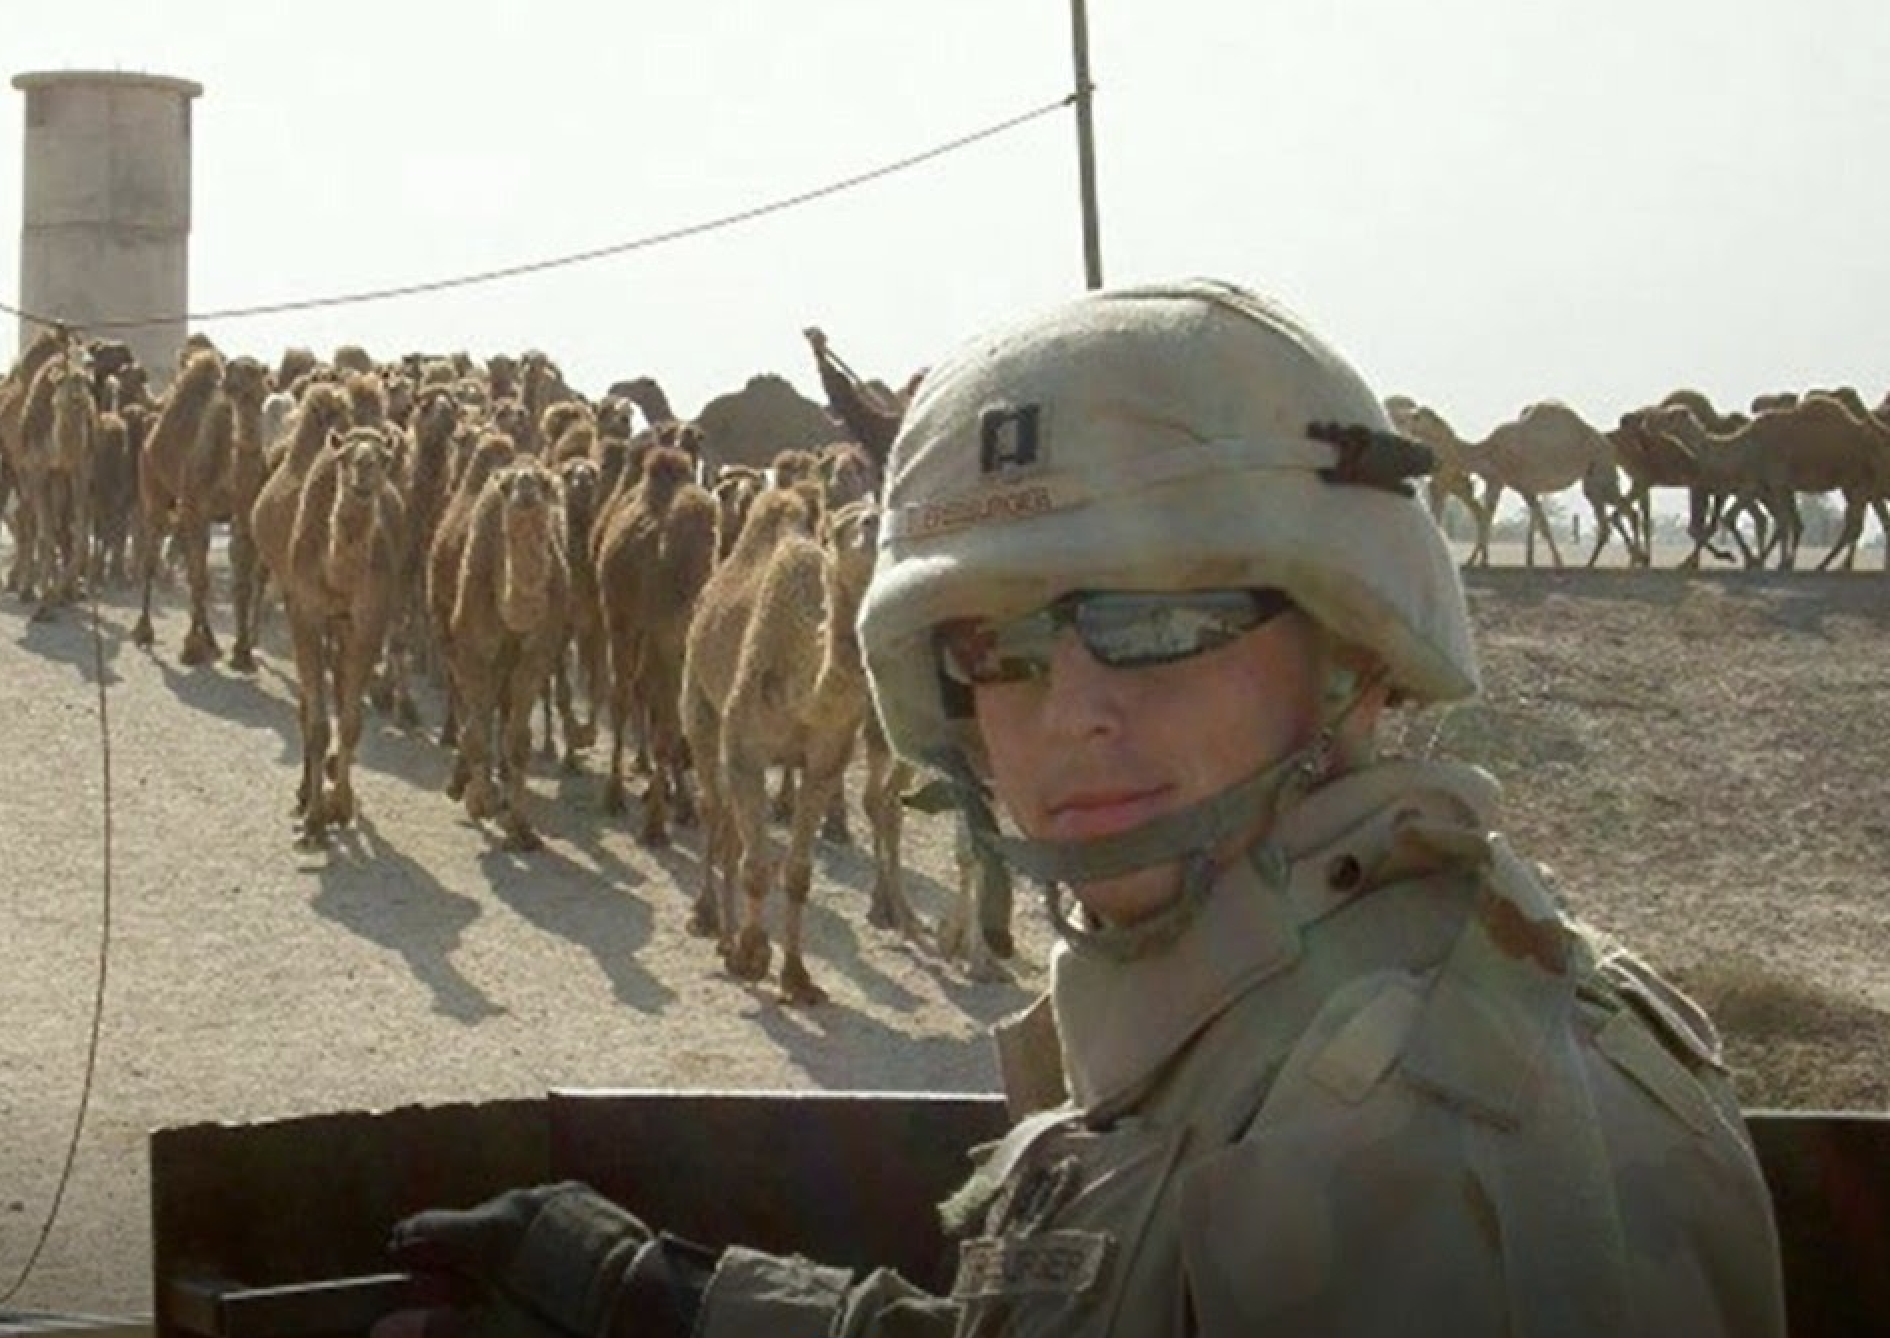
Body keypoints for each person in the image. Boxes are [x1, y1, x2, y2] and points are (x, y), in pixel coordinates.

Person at [377, 280, 1786, 1337]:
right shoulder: (1268, 1006)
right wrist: (666, 1300)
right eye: (995, 647)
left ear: (1348, 644)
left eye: (1154, 622)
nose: (1069, 711)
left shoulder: (1425, 1148)